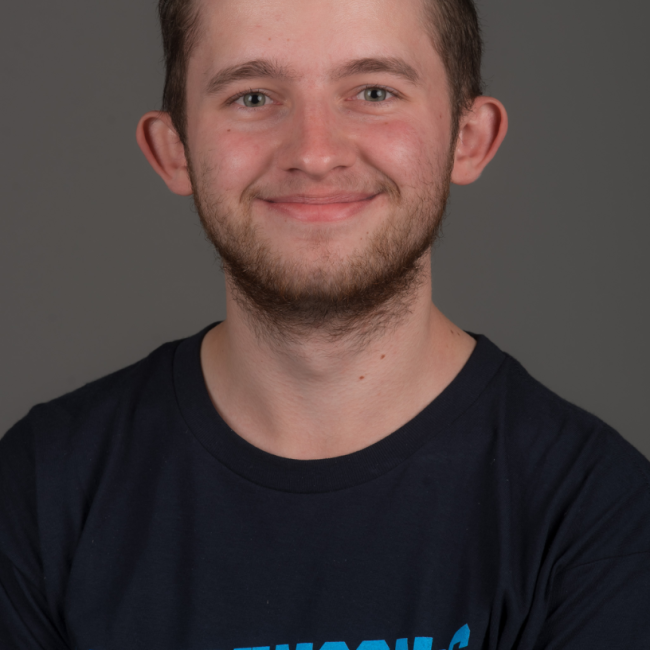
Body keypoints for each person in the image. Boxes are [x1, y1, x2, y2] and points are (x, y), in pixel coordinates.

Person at [1, 0, 648, 647]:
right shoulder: (40, 492)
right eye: (253, 97)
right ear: (174, 151)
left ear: (467, 137)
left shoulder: (600, 517)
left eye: (373, 91)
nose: (314, 153)